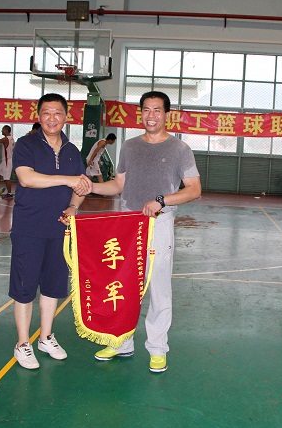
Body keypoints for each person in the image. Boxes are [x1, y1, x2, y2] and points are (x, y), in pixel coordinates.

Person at [76, 91, 202, 373]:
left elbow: (194, 189)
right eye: (146, 109)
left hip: (158, 224)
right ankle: (121, 341)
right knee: (124, 285)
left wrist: (161, 200)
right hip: (127, 225)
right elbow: (118, 185)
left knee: (158, 287)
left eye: (157, 110)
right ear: (140, 113)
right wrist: (92, 186)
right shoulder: (129, 147)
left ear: (166, 114)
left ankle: (157, 348)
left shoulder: (179, 149)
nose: (151, 115)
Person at [9, 93, 88, 370]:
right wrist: (69, 179)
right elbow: (26, 178)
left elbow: (81, 188)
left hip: (59, 229)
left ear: (66, 117)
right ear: (39, 116)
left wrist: (73, 207)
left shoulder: (72, 150)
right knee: (24, 287)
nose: (51, 118)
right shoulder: (26, 144)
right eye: (46, 113)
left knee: (53, 286)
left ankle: (45, 337)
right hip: (29, 228)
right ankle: (22, 343)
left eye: (57, 113)